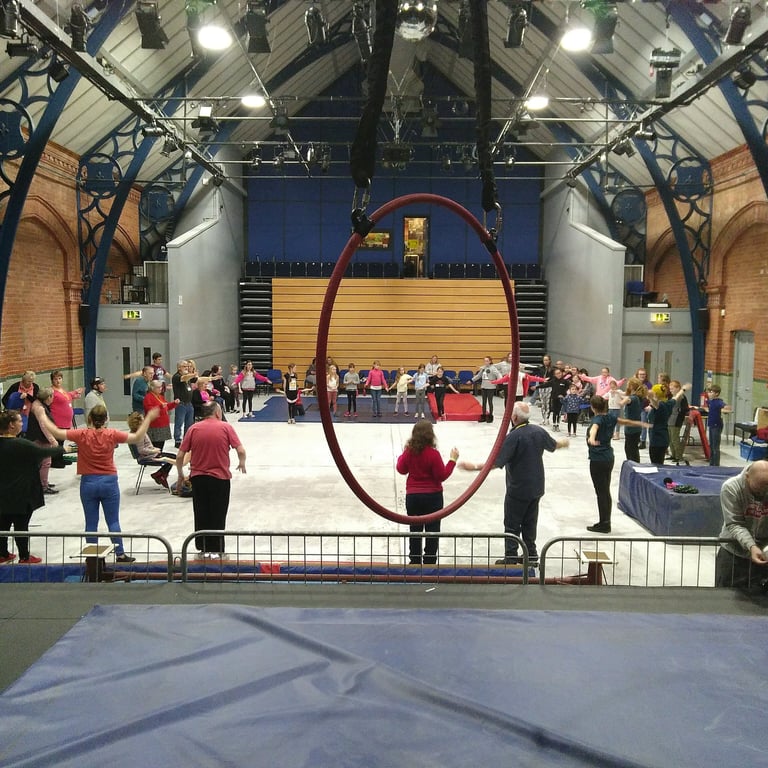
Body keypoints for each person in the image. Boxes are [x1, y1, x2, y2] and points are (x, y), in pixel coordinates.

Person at [42, 404, 160, 563]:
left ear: (89, 418)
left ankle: (92, 557)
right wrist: (148, 418)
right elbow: (137, 437)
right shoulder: (112, 434)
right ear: (106, 419)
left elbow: (56, 432)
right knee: (113, 521)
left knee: (91, 522)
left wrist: (41, 414)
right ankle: (120, 554)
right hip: (109, 481)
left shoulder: (81, 434)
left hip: (88, 482)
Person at [460, 401, 568, 566]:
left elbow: (496, 462)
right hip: (537, 487)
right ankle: (532, 557)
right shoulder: (538, 431)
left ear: (515, 417)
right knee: (530, 523)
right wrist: (564, 442)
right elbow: (554, 445)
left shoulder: (514, 437)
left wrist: (473, 467)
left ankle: (511, 557)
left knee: (512, 523)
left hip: (518, 488)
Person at [175, 401, 246, 558]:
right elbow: (240, 450)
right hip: (219, 478)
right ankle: (218, 549)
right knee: (218, 514)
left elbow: (180, 455)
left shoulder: (193, 428)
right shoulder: (226, 427)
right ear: (217, 413)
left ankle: (202, 547)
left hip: (198, 479)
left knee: (201, 512)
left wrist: (180, 475)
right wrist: (242, 463)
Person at [0, 410, 64, 564]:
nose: (22, 423)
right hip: (21, 493)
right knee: (21, 526)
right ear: (11, 425)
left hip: (2, 494)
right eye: (19, 421)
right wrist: (64, 449)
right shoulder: (22, 444)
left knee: (3, 525)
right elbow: (44, 452)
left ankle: (2, 554)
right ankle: (24, 556)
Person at [396, 420, 458, 565]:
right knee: (433, 530)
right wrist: (452, 460)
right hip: (433, 496)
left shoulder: (410, 452)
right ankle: (430, 560)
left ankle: (415, 560)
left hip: (413, 496)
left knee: (415, 529)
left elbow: (401, 469)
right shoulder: (433, 454)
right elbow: (441, 475)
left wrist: (403, 452)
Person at [715, 460, 768, 590]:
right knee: (725, 598)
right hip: (733, 554)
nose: (763, 492)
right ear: (747, 476)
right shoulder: (731, 487)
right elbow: (734, 523)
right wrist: (752, 547)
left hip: (764, 553)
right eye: (759, 487)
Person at [586, 395, 618, 534]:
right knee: (606, 491)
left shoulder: (597, 419)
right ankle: (605, 521)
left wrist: (591, 439)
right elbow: (623, 421)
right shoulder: (610, 417)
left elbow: (594, 428)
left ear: (593, 408)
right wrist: (640, 424)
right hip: (609, 458)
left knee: (601, 492)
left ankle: (604, 524)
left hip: (598, 460)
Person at [126, 411, 177, 489]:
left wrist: (153, 449)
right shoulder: (139, 434)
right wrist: (154, 451)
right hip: (147, 456)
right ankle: (160, 475)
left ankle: (160, 474)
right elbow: (141, 450)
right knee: (173, 458)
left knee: (173, 457)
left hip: (149, 454)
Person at [25, 388, 59, 495]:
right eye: (52, 396)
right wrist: (53, 440)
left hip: (36, 437)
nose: (53, 398)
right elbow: (44, 426)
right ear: (48, 397)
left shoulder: (36, 403)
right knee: (46, 462)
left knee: (41, 462)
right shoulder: (39, 408)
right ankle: (43, 486)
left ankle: (43, 482)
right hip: (40, 438)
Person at [143, 379, 179, 450]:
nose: (160, 389)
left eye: (161, 387)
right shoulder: (148, 397)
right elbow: (149, 410)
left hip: (163, 424)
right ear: (152, 388)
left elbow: (166, 407)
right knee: (156, 445)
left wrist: (174, 403)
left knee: (161, 445)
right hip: (155, 426)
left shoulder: (160, 396)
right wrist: (160, 407)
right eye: (158, 387)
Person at [620, 377, 646, 463]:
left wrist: (622, 400)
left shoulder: (633, 398)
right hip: (634, 428)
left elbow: (627, 400)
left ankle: (634, 467)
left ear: (631, 386)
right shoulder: (637, 397)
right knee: (630, 449)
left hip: (632, 429)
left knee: (631, 451)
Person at [470, 356, 502, 423]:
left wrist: (498, 381)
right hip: (484, 386)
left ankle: (490, 416)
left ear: (490, 361)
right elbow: (478, 375)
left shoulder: (493, 368)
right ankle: (483, 415)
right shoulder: (483, 368)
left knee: (490, 401)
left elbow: (498, 375)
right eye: (484, 361)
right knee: (484, 402)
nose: (485, 362)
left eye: (487, 361)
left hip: (491, 387)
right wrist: (471, 380)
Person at [667, 380, 690, 464]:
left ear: (677, 388)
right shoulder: (672, 397)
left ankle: (678, 456)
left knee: (675, 439)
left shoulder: (682, 397)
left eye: (672, 389)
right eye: (670, 389)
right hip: (670, 419)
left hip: (676, 420)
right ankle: (673, 454)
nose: (670, 390)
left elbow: (685, 409)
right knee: (670, 439)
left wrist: (679, 411)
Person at [706, 384, 728, 466]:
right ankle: (711, 464)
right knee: (711, 446)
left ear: (716, 393)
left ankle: (716, 465)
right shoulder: (710, 401)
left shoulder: (718, 401)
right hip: (711, 425)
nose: (709, 393)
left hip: (717, 425)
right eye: (709, 392)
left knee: (715, 447)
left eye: (711, 392)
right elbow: (705, 399)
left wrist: (725, 409)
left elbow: (725, 406)